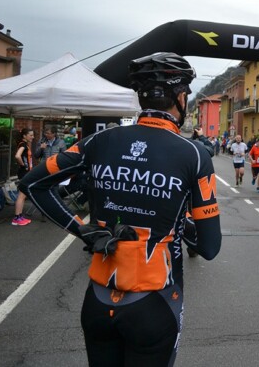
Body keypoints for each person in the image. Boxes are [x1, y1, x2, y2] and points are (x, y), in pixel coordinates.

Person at [19, 52, 222, 366]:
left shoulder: (99, 141)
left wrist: (82, 230)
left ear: (140, 97)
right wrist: (174, 224)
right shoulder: (194, 154)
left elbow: (32, 184)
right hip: (155, 302)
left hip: (98, 300)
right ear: (181, 98)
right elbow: (209, 247)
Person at [12, 128, 34, 226]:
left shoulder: (24, 144)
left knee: (23, 195)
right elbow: (17, 156)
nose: (33, 137)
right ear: (24, 136)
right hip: (24, 173)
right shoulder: (23, 145)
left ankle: (19, 216)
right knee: (21, 196)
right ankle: (17, 218)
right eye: (31, 135)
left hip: (25, 173)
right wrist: (23, 165)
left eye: (33, 135)